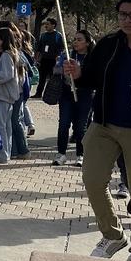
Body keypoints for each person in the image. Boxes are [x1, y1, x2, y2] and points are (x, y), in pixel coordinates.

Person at [65, 0, 131, 259]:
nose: (128, 19)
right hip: (104, 124)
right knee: (93, 180)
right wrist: (78, 73)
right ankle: (113, 236)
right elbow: (91, 78)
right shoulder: (108, 43)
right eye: (123, 14)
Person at [52, 30, 95, 166]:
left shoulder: (92, 57)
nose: (75, 42)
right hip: (67, 94)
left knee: (81, 126)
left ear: (87, 43)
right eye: (74, 39)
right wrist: (62, 67)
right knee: (64, 124)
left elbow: (95, 76)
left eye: (79, 39)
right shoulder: (67, 54)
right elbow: (55, 70)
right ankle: (61, 154)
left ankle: (80, 155)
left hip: (85, 94)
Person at [0, 28, 24, 164]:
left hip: (4, 94)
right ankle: (5, 152)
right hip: (9, 94)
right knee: (6, 125)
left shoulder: (6, 55)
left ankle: (2, 153)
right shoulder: (13, 54)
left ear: (4, 39)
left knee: (1, 125)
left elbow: (6, 75)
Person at [34, 17, 64, 98]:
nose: (46, 26)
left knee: (53, 79)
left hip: (53, 60)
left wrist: (58, 58)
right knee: (42, 78)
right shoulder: (43, 35)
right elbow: (39, 48)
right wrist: (37, 58)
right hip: (44, 60)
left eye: (48, 24)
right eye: (45, 24)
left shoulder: (58, 35)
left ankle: (52, 95)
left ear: (53, 25)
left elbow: (61, 48)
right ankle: (38, 93)